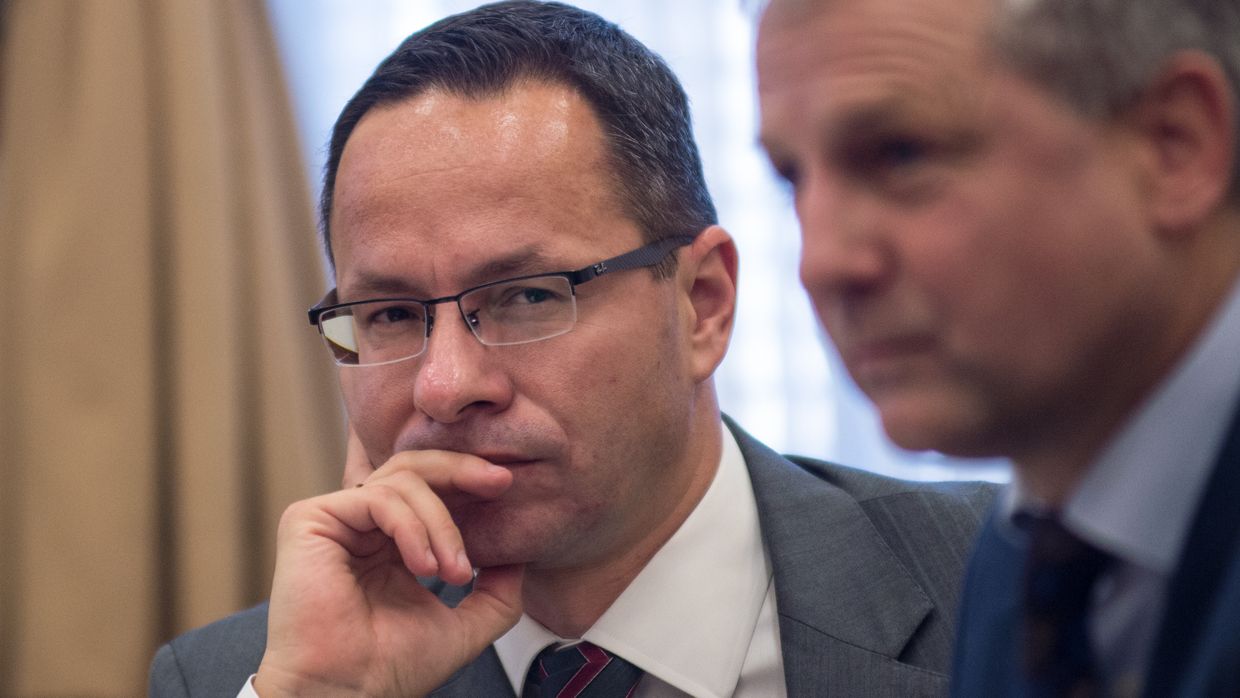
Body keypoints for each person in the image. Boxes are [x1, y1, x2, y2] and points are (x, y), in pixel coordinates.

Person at [149, 2, 995, 696]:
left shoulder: (1006, 582)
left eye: (525, 297)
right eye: (393, 316)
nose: (445, 387)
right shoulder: (250, 677)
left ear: (703, 304)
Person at [755, 0, 1240, 694]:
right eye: (791, 177)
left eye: (901, 153)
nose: (822, 262)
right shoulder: (1023, 557)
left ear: (1174, 142)